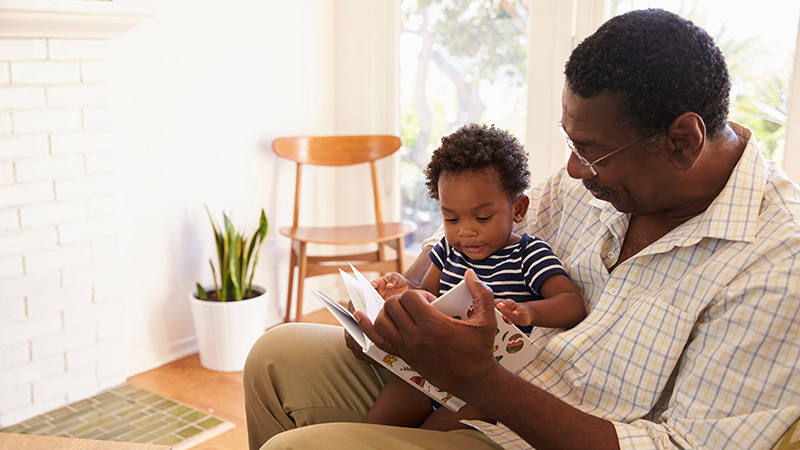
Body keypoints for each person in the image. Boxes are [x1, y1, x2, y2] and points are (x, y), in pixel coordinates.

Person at [244, 8, 800, 450]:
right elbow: (470, 251)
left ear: (682, 141)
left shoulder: (778, 262)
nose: (576, 170)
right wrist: (401, 311)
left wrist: (480, 379)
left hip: (532, 428)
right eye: (571, 142)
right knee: (276, 355)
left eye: (592, 152)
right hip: (482, 386)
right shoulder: (601, 184)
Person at [362, 123, 586, 431]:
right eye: (451, 218)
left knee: (433, 437)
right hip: (432, 366)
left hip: (487, 384)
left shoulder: (529, 255)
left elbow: (572, 304)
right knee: (375, 429)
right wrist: (404, 291)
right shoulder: (447, 251)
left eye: (482, 217)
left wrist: (529, 312)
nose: (465, 231)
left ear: (518, 208)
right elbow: (428, 295)